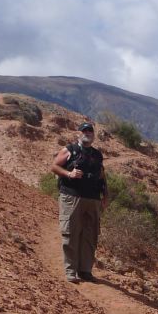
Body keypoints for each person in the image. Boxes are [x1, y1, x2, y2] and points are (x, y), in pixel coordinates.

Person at [51, 121, 108, 283]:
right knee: (71, 233)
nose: (87, 133)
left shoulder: (97, 155)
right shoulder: (70, 150)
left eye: (90, 131)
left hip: (93, 199)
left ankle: (85, 271)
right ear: (79, 133)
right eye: (84, 131)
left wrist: (106, 195)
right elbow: (54, 166)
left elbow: (102, 176)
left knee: (90, 235)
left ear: (93, 135)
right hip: (72, 196)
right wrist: (69, 174)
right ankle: (71, 271)